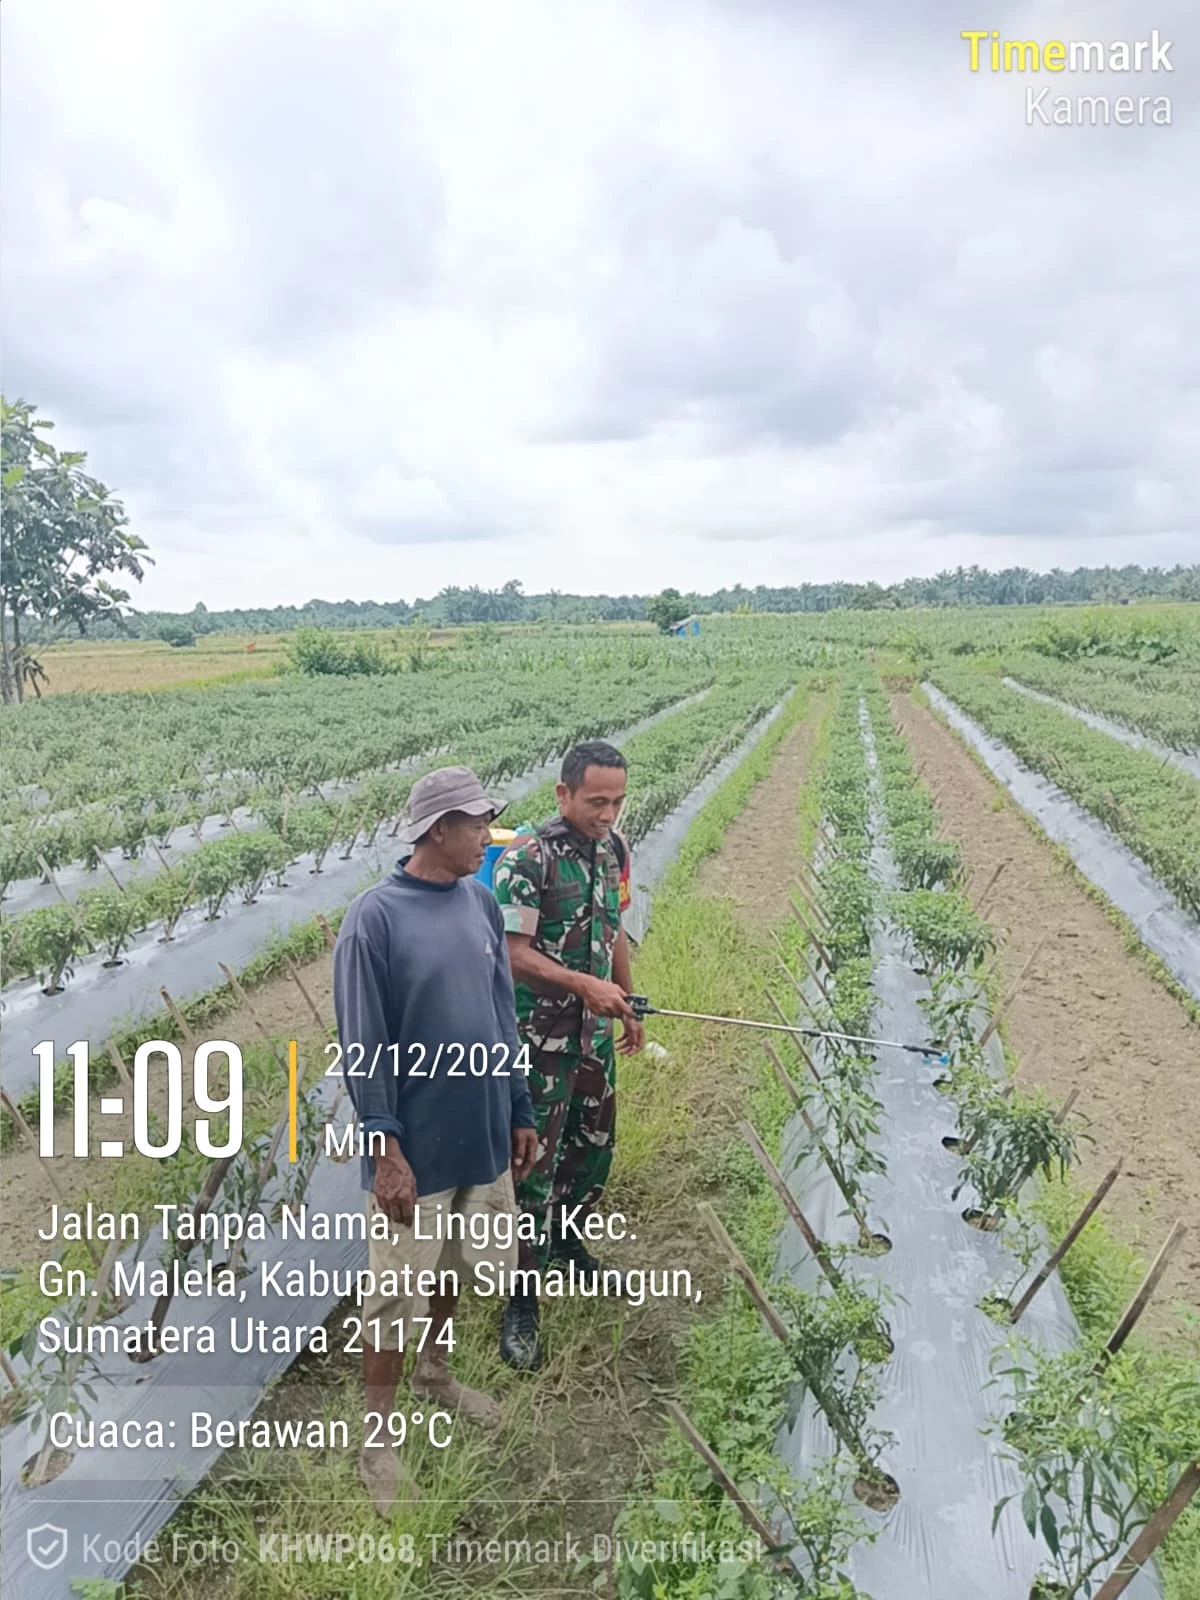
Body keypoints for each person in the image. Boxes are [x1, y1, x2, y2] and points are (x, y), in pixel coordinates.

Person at [333, 765, 538, 1516]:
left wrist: (517, 1106)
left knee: (453, 1265)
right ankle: (378, 1443)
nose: (488, 834)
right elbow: (364, 1043)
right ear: (437, 830)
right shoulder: (375, 919)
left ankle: (438, 1374)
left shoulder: (480, 901)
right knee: (393, 1294)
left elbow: (500, 1016)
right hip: (413, 1154)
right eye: (477, 822)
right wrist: (386, 1150)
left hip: (479, 1132)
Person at [491, 739, 644, 1371]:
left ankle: (569, 1246)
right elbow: (512, 955)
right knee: (531, 1172)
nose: (607, 813)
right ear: (563, 794)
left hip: (592, 1041)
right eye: (595, 801)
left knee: (592, 1150)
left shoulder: (612, 852)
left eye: (617, 801)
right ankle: (520, 1299)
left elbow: (611, 935)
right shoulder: (529, 860)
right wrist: (586, 988)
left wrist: (627, 1000)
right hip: (539, 1046)